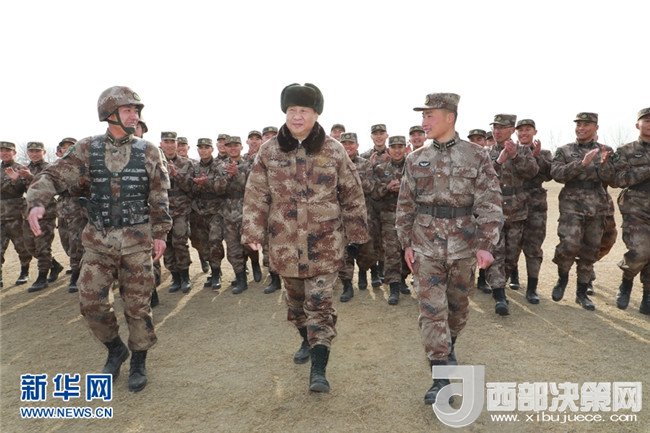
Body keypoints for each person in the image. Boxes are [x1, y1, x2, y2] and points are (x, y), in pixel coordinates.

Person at [26, 86, 171, 392]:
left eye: (136, 110)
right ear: (109, 114)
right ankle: (115, 349)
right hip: (98, 242)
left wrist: (160, 233)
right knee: (90, 303)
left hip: (136, 242)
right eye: (128, 110)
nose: (135, 116)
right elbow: (53, 175)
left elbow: (159, 195)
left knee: (138, 307)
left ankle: (139, 360)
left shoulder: (148, 150)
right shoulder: (87, 148)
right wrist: (37, 201)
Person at [242, 83, 368, 393]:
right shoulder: (269, 151)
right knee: (296, 305)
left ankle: (318, 369)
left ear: (316, 114)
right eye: (292, 110)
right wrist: (252, 230)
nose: (297, 116)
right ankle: (305, 340)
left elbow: (352, 194)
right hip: (285, 245)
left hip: (325, 244)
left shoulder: (334, 150)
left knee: (320, 306)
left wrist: (358, 236)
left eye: (304, 111)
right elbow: (256, 193)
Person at [395, 92, 502, 405]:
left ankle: (449, 343)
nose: (424, 122)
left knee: (457, 309)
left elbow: (490, 202)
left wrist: (485, 244)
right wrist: (406, 243)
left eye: (429, 116)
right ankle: (440, 377)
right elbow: (405, 204)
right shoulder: (415, 159)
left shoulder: (476, 156)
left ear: (449, 117)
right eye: (423, 116)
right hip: (425, 244)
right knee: (431, 312)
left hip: (463, 245)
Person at [550, 112, 615, 311]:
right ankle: (562, 279)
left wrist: (604, 164)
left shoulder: (606, 150)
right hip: (571, 205)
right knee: (568, 245)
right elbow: (556, 174)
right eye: (578, 124)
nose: (581, 128)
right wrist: (581, 164)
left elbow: (612, 178)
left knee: (590, 249)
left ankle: (582, 292)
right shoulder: (564, 150)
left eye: (586, 124)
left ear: (596, 127)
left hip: (597, 205)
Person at [485, 114, 538, 315]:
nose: (496, 131)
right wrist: (499, 161)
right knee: (496, 253)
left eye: (501, 127)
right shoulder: (485, 153)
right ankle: (499, 295)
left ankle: (501, 283)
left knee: (511, 255)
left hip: (517, 212)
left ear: (511, 130)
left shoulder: (523, 151)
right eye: (495, 127)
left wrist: (515, 156)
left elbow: (532, 172)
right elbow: (482, 177)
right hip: (493, 211)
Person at [609, 107, 650, 314]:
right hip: (636, 208)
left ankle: (647, 295)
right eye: (646, 120)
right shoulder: (625, 151)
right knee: (640, 251)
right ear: (637, 125)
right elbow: (618, 179)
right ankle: (626, 281)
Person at [512, 119, 552, 303]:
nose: (524, 133)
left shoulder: (545, 153)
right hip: (513, 204)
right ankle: (513, 276)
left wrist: (536, 157)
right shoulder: (511, 151)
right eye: (520, 130)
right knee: (512, 244)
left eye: (528, 129)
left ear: (535, 132)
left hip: (536, 205)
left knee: (534, 246)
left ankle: (532, 288)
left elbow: (550, 174)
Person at [372, 135, 411, 305]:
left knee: (408, 252)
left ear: (405, 148)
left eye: (400, 147)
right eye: (393, 147)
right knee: (391, 253)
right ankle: (394, 288)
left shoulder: (413, 166)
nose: (397, 150)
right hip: (389, 218)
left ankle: (403, 279)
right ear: (388, 150)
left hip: (410, 218)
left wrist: (405, 188)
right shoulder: (380, 169)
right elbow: (374, 192)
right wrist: (387, 188)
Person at [22, 141, 65, 292]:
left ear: (44, 152)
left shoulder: (50, 168)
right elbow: (21, 190)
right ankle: (55, 265)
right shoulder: (24, 168)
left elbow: (52, 187)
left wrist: (30, 177)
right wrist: (15, 180)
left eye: (37, 151)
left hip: (46, 213)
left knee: (42, 246)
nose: (34, 154)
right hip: (29, 213)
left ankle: (42, 277)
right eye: (31, 151)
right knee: (29, 246)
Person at [338, 132, 375, 299]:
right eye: (344, 143)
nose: (348, 146)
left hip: (362, 215)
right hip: (342, 216)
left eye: (351, 143)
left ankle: (363, 272)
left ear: (357, 145)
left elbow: (370, 187)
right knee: (344, 252)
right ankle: (347, 285)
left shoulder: (365, 164)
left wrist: (353, 177)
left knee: (365, 251)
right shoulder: (335, 164)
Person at [190, 137, 228, 290]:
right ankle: (213, 271)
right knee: (203, 244)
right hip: (199, 212)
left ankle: (217, 273)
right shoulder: (194, 167)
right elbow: (188, 189)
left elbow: (222, 188)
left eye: (206, 147)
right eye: (201, 148)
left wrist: (206, 183)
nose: (203, 150)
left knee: (215, 241)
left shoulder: (219, 165)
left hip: (215, 211)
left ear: (212, 149)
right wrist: (196, 186)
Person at [159, 131, 194, 294]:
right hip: (162, 210)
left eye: (172, 142)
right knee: (166, 244)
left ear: (176, 144)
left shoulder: (186, 163)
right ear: (161, 144)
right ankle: (175, 277)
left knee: (180, 243)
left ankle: (185, 277)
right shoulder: (155, 161)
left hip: (180, 210)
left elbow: (190, 188)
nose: (169, 145)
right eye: (166, 141)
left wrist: (176, 174)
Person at [54, 137, 88, 293]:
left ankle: (76, 274)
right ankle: (77, 267)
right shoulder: (56, 168)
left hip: (78, 210)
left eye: (71, 147)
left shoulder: (83, 166)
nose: (67, 150)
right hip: (62, 210)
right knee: (66, 242)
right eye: (64, 147)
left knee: (77, 243)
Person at [360, 123, 390, 286]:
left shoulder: (394, 153)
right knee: (370, 240)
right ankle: (373, 272)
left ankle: (383, 269)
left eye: (381, 133)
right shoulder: (364, 156)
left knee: (385, 240)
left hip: (388, 205)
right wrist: (371, 167)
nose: (379, 136)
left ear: (386, 135)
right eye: (375, 134)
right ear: (371, 136)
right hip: (370, 205)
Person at [0, 141, 31, 288]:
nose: (4, 153)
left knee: (21, 246)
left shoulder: (21, 168)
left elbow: (26, 189)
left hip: (16, 214)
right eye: (1, 150)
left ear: (14, 152)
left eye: (8, 150)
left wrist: (16, 180)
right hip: (0, 215)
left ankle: (24, 271)